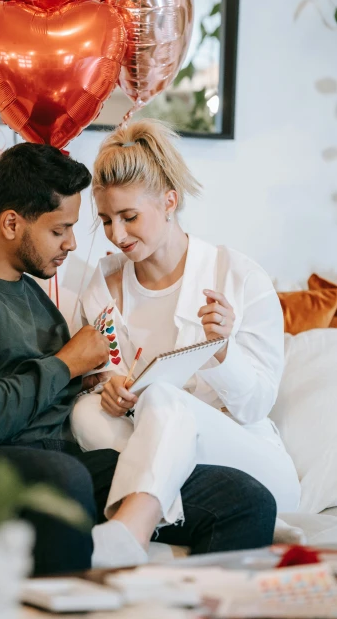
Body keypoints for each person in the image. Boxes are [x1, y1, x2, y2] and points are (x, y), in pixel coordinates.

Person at [0, 142, 277, 575]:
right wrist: (66, 364)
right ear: (12, 223)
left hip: (53, 459)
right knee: (65, 479)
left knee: (243, 497)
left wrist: (101, 382)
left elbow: (71, 392)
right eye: (60, 230)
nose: (74, 244)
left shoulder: (32, 296)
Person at [71, 119, 300, 566]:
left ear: (170, 201)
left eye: (130, 217)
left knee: (162, 395)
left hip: (247, 460)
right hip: (159, 450)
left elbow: (254, 408)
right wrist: (107, 387)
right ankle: (157, 494)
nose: (117, 235)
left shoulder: (238, 277)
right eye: (106, 220)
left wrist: (222, 349)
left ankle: (130, 530)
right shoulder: (104, 284)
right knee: (86, 414)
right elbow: (98, 375)